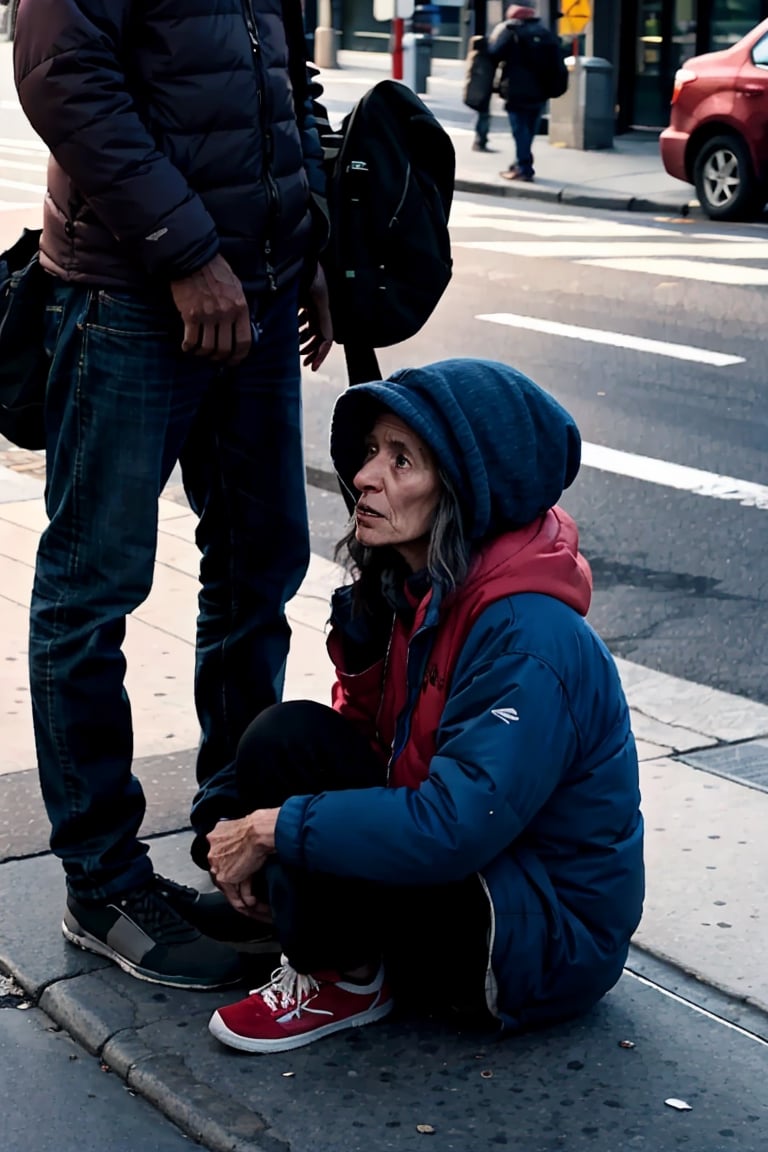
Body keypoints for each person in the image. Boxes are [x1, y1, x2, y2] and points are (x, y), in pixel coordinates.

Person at [13, 0, 333, 990]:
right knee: (91, 588)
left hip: (262, 291)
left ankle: (231, 846)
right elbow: (62, 74)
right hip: (133, 296)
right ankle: (102, 884)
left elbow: (285, 77)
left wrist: (308, 238)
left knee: (258, 568)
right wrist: (187, 252)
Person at [196, 358, 645, 1054]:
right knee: (283, 739)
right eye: (372, 452)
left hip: (533, 936)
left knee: (287, 822)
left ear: (466, 489)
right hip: (475, 872)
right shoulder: (419, 589)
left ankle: (343, 978)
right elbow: (360, 751)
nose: (367, 477)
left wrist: (270, 832)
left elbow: (454, 827)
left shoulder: (530, 638)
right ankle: (321, 935)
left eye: (402, 460)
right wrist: (229, 820)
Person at [488, 4, 567, 182]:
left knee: (519, 130)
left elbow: (495, 53)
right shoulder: (545, 33)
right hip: (540, 90)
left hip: (516, 89)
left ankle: (524, 167)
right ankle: (520, 162)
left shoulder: (512, 32)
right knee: (530, 129)